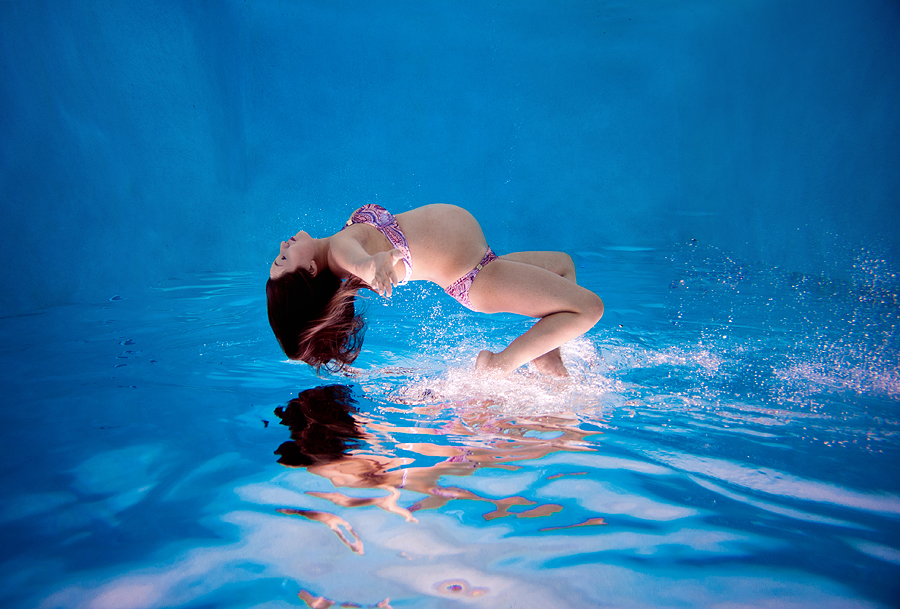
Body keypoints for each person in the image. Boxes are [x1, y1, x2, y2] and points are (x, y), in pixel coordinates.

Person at [266, 203, 603, 376]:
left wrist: (373, 262)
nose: (283, 244)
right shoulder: (342, 251)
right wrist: (374, 265)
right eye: (283, 257)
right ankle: (501, 364)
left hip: (485, 263)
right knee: (588, 308)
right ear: (310, 269)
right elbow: (360, 261)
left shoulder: (340, 244)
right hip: (479, 279)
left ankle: (546, 349)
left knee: (562, 266)